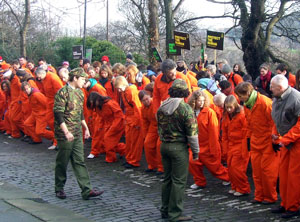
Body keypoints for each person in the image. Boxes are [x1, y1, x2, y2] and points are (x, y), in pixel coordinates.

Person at [54, 67, 103, 200]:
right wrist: (66, 132)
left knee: (79, 160)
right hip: (65, 133)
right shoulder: (62, 92)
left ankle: (86, 190)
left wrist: (86, 128)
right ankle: (59, 188)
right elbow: (58, 114)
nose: (84, 82)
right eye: (82, 79)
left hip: (76, 132)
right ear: (75, 78)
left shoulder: (80, 93)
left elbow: (80, 112)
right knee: (62, 161)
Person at [156, 79, 199, 222]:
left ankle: (165, 209)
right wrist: (196, 151)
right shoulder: (185, 108)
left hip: (164, 145)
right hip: (179, 148)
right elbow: (192, 133)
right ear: (185, 92)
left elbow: (158, 125)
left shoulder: (162, 106)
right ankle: (175, 213)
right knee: (179, 181)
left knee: (167, 179)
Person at [234, 82, 279, 204]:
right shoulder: (248, 104)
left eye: (240, 96)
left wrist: (276, 141)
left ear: (247, 93)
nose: (239, 98)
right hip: (255, 140)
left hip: (267, 141)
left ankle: (270, 197)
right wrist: (248, 139)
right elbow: (249, 124)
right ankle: (259, 196)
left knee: (268, 171)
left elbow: (275, 122)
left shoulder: (265, 102)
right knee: (257, 171)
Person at [270, 75, 300, 219]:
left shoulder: (296, 98)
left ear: (280, 88)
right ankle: (286, 203)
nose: (270, 89)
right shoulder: (277, 98)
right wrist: (275, 136)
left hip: (296, 143)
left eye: (272, 87)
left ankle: (294, 206)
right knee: (283, 174)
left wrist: (285, 139)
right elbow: (275, 119)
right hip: (286, 140)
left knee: (294, 177)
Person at [187, 90, 229, 190]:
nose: (201, 103)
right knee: (192, 163)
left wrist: (214, 148)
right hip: (195, 145)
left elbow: (214, 132)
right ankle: (199, 181)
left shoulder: (209, 112)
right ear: (194, 101)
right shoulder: (189, 112)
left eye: (203, 100)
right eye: (199, 101)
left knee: (215, 168)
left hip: (207, 145)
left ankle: (229, 178)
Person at [222, 95, 250, 196]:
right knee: (230, 167)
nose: (229, 109)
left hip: (239, 144)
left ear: (235, 105)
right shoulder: (226, 116)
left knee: (237, 168)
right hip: (231, 144)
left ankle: (243, 188)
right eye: (227, 107)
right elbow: (224, 133)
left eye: (230, 107)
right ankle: (235, 186)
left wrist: (244, 150)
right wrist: (224, 148)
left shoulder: (242, 116)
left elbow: (246, 133)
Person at [87, 92, 125, 163]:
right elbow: (102, 118)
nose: (94, 105)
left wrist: (113, 128)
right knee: (106, 142)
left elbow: (119, 116)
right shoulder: (98, 107)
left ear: (97, 99)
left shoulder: (110, 103)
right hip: (109, 124)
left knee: (108, 140)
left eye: (94, 103)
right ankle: (124, 149)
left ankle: (111, 158)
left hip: (117, 124)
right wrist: (101, 128)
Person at [114, 76, 143, 168]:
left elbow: (137, 107)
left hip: (134, 120)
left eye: (119, 88)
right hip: (130, 119)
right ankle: (130, 159)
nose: (118, 91)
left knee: (135, 142)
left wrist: (138, 123)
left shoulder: (131, 91)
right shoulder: (125, 91)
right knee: (130, 141)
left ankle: (134, 161)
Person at [36, 66, 63, 150]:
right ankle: (56, 140)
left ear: (42, 73)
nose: (38, 78)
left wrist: (59, 105)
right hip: (49, 102)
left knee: (56, 122)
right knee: (50, 121)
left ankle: (58, 142)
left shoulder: (53, 78)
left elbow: (60, 92)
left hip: (55, 102)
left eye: (39, 76)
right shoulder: (44, 79)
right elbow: (44, 91)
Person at [138, 90, 163, 174]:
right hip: (152, 127)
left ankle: (161, 168)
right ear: (141, 101)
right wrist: (145, 135)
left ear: (150, 97)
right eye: (144, 100)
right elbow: (145, 123)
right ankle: (152, 165)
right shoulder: (143, 109)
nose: (146, 101)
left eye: (147, 99)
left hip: (162, 126)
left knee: (159, 146)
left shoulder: (156, 104)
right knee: (147, 144)